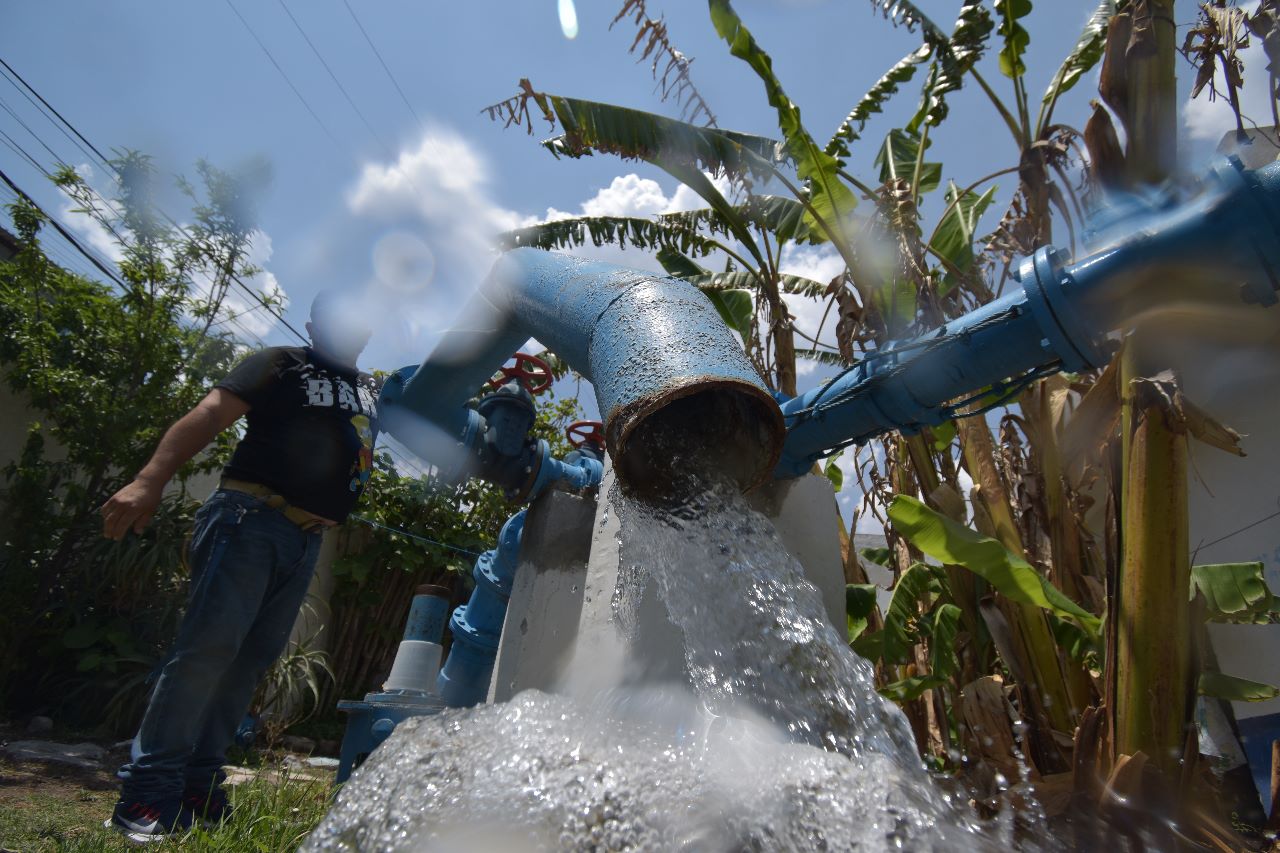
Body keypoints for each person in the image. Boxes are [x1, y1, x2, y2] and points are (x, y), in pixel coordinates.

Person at [99, 292, 378, 842]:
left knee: (248, 663)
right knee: (205, 653)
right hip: (250, 519)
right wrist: (149, 479)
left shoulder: (369, 387)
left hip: (306, 539)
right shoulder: (281, 362)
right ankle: (147, 793)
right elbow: (209, 413)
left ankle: (198, 785)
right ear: (314, 324)